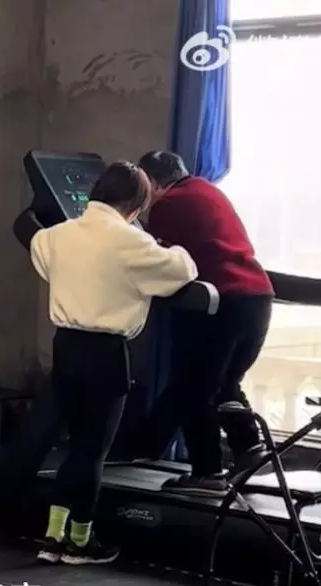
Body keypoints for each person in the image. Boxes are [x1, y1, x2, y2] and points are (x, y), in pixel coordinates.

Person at [30, 162, 197, 565]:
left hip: (65, 347)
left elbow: (37, 247)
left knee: (73, 447)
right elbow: (182, 270)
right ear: (136, 206)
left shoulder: (58, 235)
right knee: (93, 450)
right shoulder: (131, 242)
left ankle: (52, 537)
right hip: (104, 353)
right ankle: (80, 541)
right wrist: (172, 248)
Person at [133, 151, 274, 498]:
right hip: (257, 300)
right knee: (225, 382)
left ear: (153, 183)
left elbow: (154, 257)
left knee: (194, 389)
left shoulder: (170, 204)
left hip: (219, 304)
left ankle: (207, 472)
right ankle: (249, 449)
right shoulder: (208, 191)